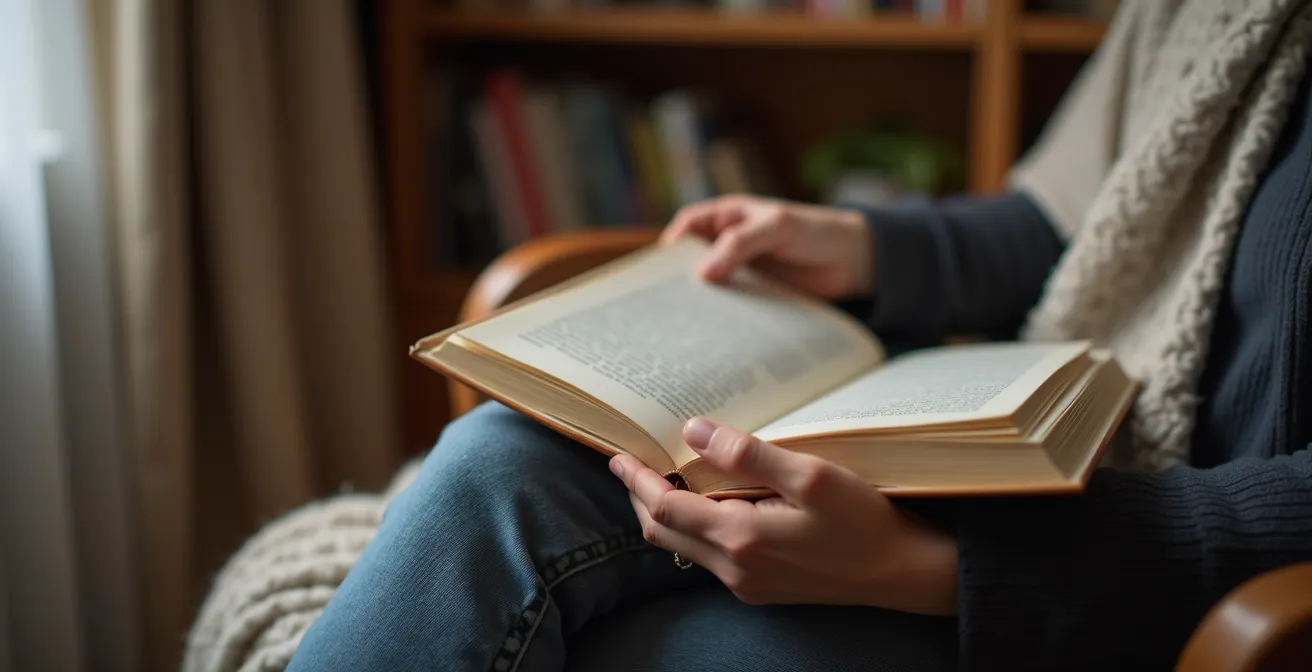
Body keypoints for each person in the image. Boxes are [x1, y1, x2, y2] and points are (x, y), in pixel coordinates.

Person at [289, 1, 1312, 669]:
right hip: (1028, 476)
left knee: (637, 649)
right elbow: (1078, 220)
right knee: (498, 461)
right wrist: (864, 247)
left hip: (1181, 595)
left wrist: (927, 569)